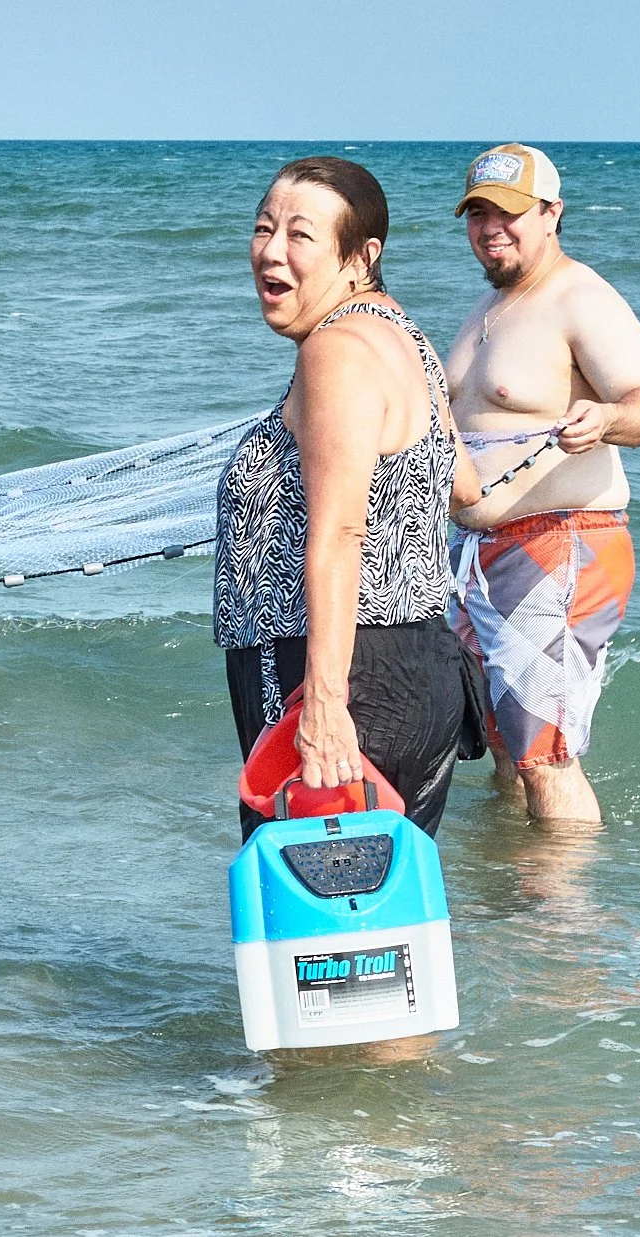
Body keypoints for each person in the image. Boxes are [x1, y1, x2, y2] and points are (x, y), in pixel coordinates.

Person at [215, 157, 486, 840]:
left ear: (361, 256)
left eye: (300, 235)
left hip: (339, 680)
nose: (271, 250)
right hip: (420, 674)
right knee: (383, 935)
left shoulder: (334, 350)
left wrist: (326, 705)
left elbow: (339, 532)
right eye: (262, 228)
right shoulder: (412, 344)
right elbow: (466, 489)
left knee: (306, 932)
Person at [445, 144, 640, 825]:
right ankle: (515, 901)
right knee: (509, 749)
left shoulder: (580, 297)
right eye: (478, 214)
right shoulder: (487, 307)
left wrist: (606, 417)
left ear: (552, 213)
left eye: (510, 214)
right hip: (479, 555)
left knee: (545, 756)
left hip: (559, 545)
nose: (492, 229)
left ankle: (566, 925)